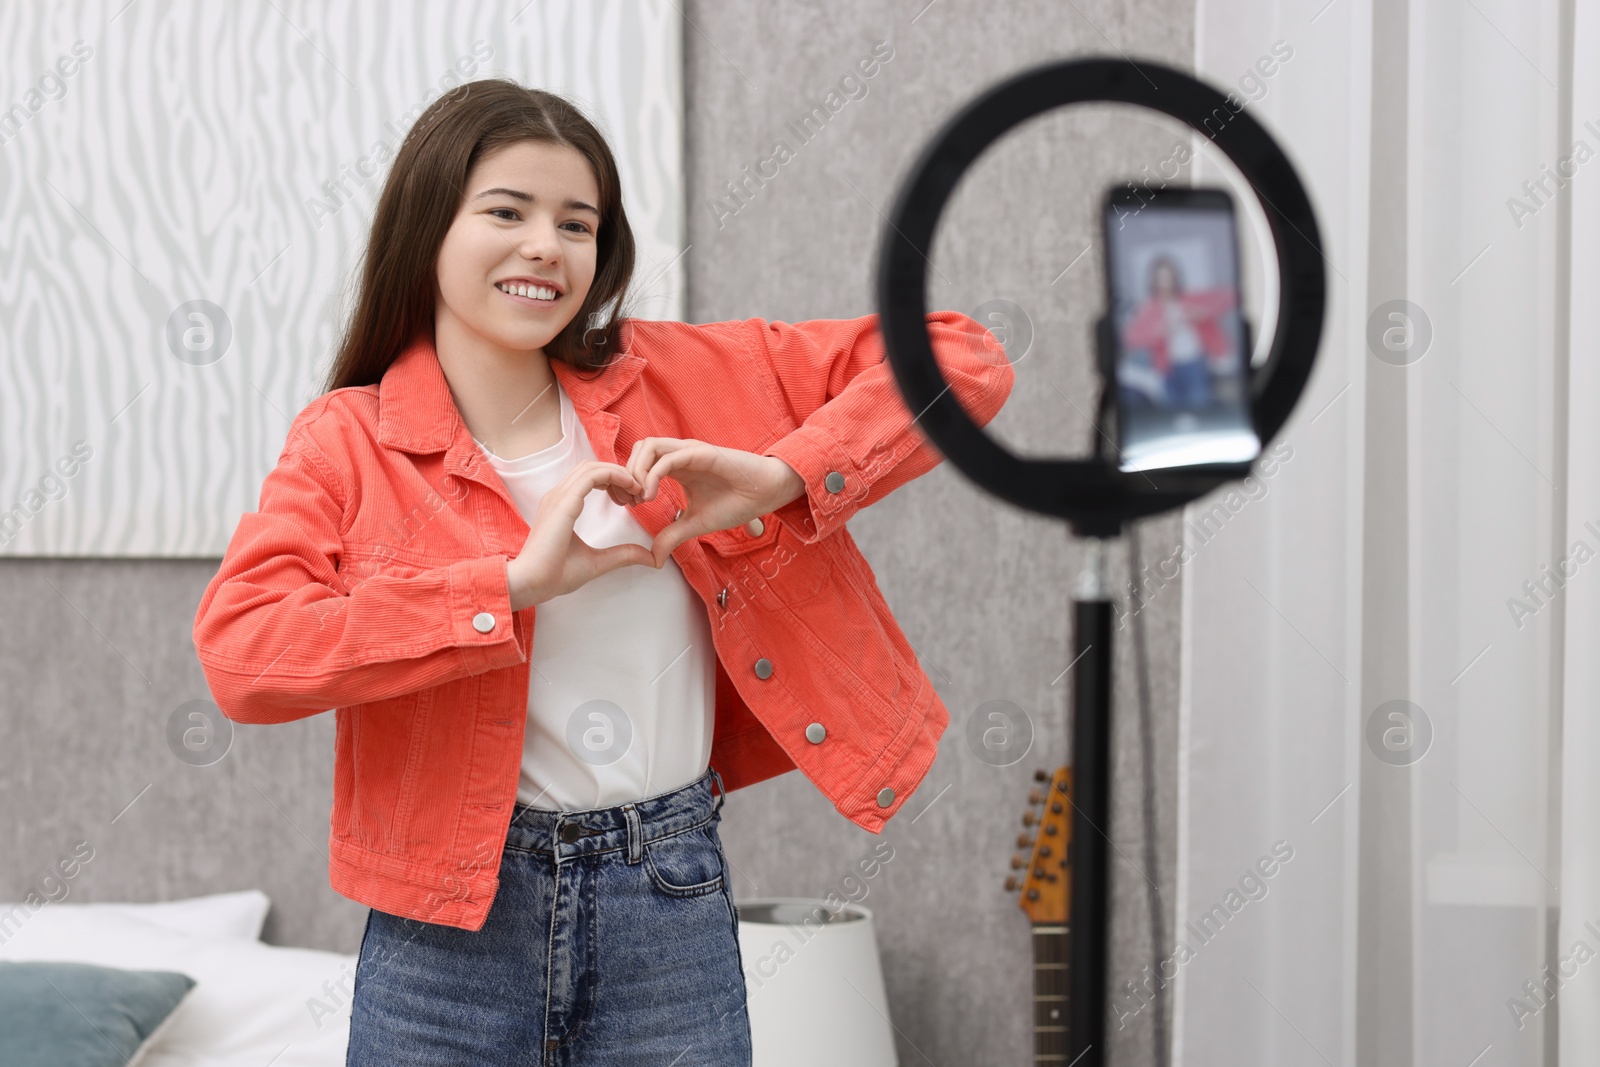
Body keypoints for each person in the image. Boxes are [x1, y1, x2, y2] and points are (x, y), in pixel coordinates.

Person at [191, 79, 1013, 1065]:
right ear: (426, 227)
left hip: (664, 898)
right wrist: (507, 587)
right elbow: (243, 654)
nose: (546, 244)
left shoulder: (686, 374)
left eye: (576, 223)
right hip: (447, 928)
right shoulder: (347, 440)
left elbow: (961, 358)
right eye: (506, 211)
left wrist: (784, 473)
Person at [1121, 256, 1238, 410]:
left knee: (1200, 407)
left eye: (1169, 276)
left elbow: (1230, 296)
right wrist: (1160, 331)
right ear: (1154, 281)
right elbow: (1131, 338)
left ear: (1175, 278)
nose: (1165, 282)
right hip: (1168, 369)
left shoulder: (1189, 299)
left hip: (1195, 363)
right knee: (1173, 412)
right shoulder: (1150, 308)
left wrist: (1202, 312)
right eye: (1161, 278)